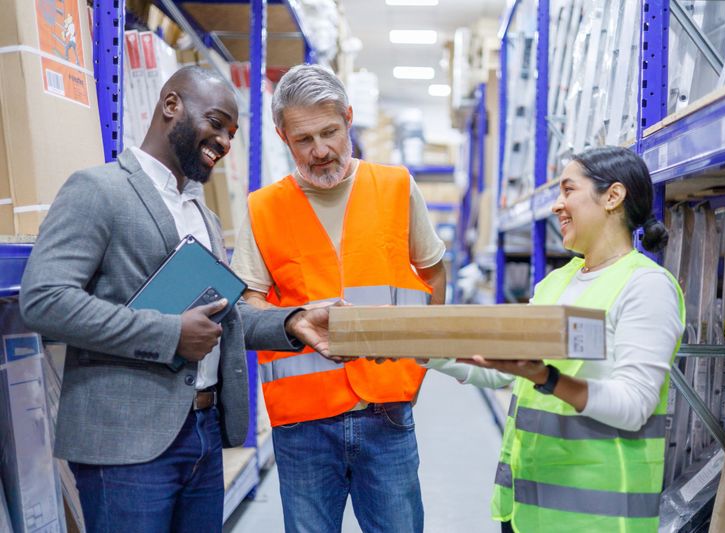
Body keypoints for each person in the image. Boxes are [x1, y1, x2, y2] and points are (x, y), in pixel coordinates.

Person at [19, 66, 330, 533]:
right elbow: (44, 299)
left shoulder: (200, 213)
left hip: (201, 436)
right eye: (217, 123)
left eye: (232, 134)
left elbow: (221, 315)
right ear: (170, 106)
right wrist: (169, 334)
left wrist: (293, 323)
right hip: (126, 445)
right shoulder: (99, 189)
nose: (225, 143)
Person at [230, 64, 447, 532]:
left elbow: (432, 273)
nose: (321, 151)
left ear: (349, 118)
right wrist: (297, 319)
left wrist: (419, 362)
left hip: (386, 412)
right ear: (282, 136)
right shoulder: (263, 208)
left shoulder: (395, 187)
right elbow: (245, 309)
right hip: (302, 424)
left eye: (330, 132)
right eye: (304, 140)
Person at [425, 146, 685, 532]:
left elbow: (634, 405)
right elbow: (508, 374)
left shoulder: (646, 288)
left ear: (612, 197)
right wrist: (421, 350)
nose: (556, 206)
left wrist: (548, 379)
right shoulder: (556, 283)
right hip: (524, 511)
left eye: (568, 191)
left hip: (596, 518)